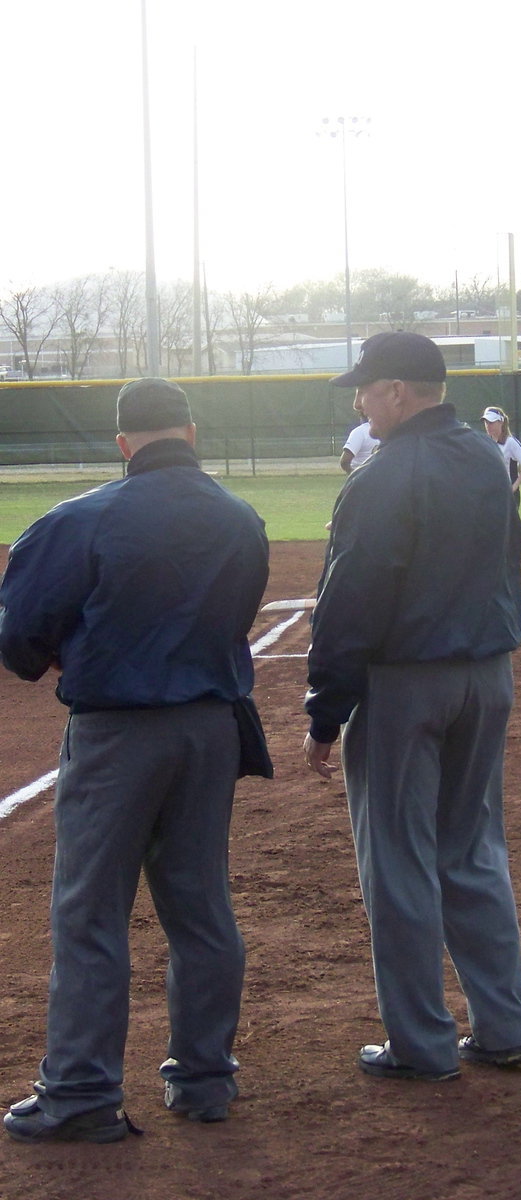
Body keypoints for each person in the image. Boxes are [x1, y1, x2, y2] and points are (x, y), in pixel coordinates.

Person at [0, 378, 270, 1144]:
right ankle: (205, 1079)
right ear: (190, 431)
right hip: (211, 729)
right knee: (201, 905)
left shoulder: (81, 519)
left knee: (90, 912)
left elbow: (19, 640)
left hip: (118, 733)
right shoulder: (240, 518)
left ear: (123, 443)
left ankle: (82, 1092)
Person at [303, 332, 521, 1082]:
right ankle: (503, 1027)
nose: (360, 400)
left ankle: (421, 1044)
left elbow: (348, 602)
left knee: (398, 861)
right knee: (470, 850)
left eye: (366, 388)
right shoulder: (486, 456)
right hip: (486, 673)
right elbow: (511, 558)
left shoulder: (383, 474)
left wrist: (325, 710)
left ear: (398, 391)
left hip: (406, 681)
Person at [481, 406, 521, 504]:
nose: (488, 425)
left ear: (501, 422)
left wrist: (514, 486)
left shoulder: (510, 442)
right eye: (486, 422)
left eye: (491, 422)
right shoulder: (487, 442)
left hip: (508, 496)